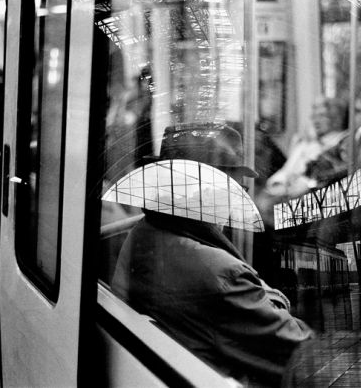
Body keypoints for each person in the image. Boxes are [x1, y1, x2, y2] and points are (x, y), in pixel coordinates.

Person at [111, 123, 315, 386]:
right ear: (206, 192)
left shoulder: (144, 231)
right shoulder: (222, 274)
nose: (238, 201)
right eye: (238, 189)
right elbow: (303, 355)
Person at [265, 96, 348, 199]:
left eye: (322, 116)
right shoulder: (305, 144)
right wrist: (278, 183)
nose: (316, 121)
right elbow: (286, 171)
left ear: (336, 118)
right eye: (314, 116)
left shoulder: (342, 144)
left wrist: (306, 184)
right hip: (288, 193)